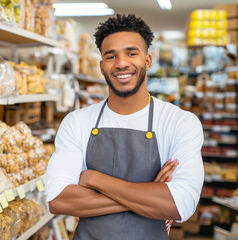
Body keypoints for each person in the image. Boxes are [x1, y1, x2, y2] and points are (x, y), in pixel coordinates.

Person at [45, 14, 204, 240]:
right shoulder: (77, 122)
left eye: (131, 53)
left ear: (147, 61)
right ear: (102, 67)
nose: (121, 63)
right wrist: (149, 192)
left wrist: (92, 179)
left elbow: (181, 205)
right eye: (111, 56)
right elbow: (57, 199)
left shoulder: (179, 122)